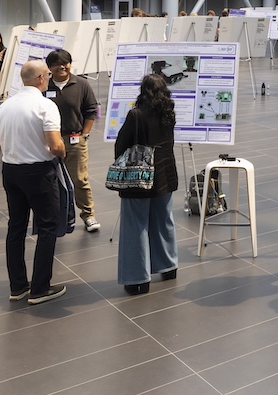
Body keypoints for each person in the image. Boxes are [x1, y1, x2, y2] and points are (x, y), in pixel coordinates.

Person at [0, 60, 67, 305]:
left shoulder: (4, 106)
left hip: (11, 171)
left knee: (16, 227)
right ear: (41, 79)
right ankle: (40, 288)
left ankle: (18, 286)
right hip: (39, 172)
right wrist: (62, 152)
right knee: (47, 227)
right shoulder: (45, 105)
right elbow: (55, 145)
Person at [114, 73, 179, 294]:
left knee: (135, 225)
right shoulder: (169, 112)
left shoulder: (136, 115)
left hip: (140, 176)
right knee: (164, 220)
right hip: (166, 173)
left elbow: (121, 144)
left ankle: (137, 278)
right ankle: (169, 265)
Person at [44, 49, 101, 232]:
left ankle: (88, 214)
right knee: (48, 179)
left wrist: (85, 134)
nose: (61, 66)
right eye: (56, 64)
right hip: (48, 140)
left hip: (74, 140)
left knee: (79, 179)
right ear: (49, 67)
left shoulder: (81, 84)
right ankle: (53, 215)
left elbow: (91, 110)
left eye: (65, 63)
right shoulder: (44, 85)